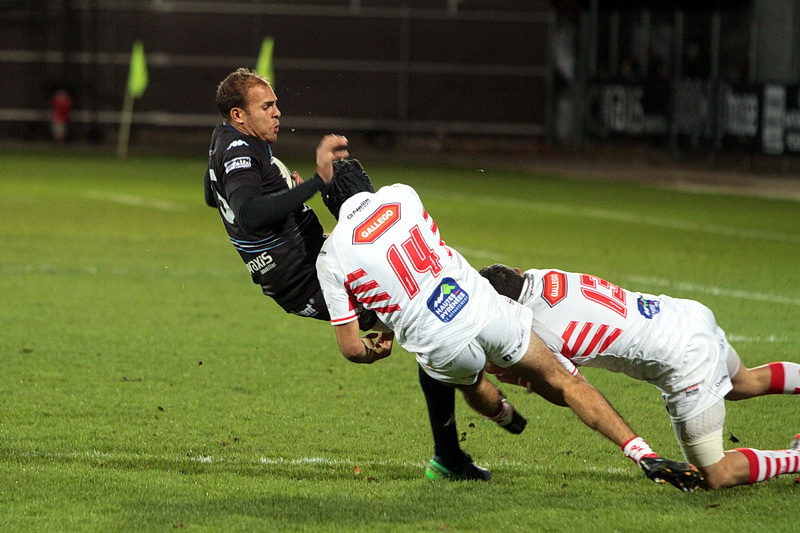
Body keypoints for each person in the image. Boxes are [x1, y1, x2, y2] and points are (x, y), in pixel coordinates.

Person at [314, 161, 703, 491]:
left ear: (332, 207)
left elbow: (351, 348)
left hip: (439, 344)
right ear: (368, 185)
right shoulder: (401, 194)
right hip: (483, 308)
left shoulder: (331, 255)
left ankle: (502, 413)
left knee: (469, 382)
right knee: (568, 382)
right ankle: (643, 454)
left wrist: (374, 349)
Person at [203, 68, 487, 480]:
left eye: (276, 104)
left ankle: (453, 445)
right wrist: (314, 185)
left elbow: (213, 196)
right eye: (267, 107)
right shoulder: (239, 152)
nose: (278, 113)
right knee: (438, 318)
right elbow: (248, 214)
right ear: (239, 115)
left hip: (305, 267)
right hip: (307, 278)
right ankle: (484, 402)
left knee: (431, 319)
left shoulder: (224, 141)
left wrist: (284, 199)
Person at [478, 263, 800, 490]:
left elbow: (571, 391)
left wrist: (526, 376)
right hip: (684, 314)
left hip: (685, 359)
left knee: (716, 474)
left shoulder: (538, 328)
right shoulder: (540, 276)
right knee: (743, 382)